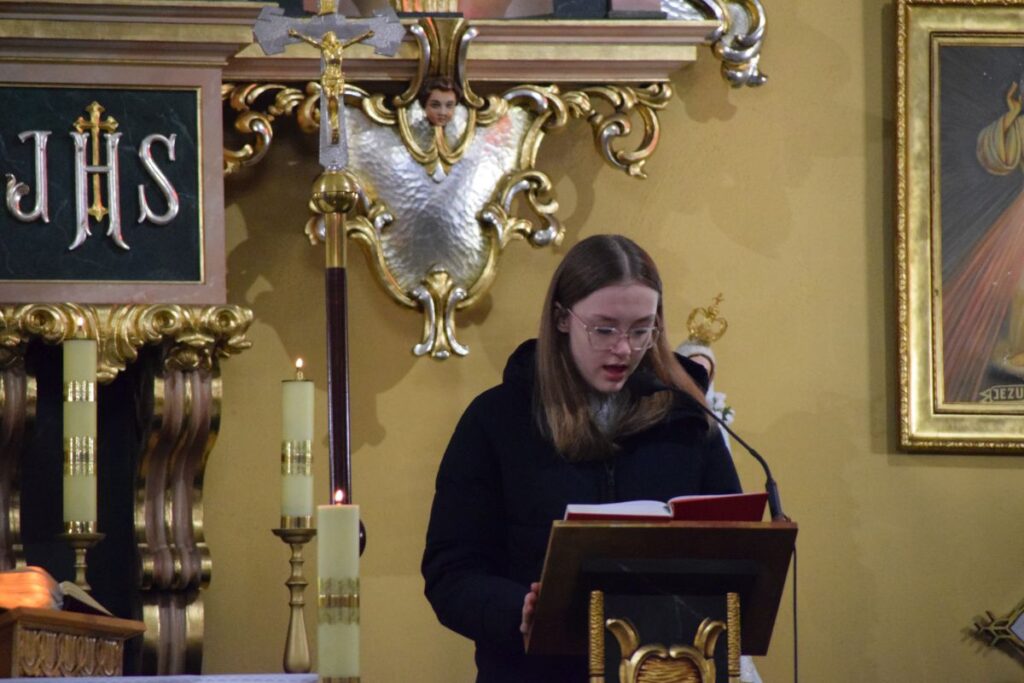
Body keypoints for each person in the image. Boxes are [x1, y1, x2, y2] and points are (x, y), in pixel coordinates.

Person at [422, 234, 743, 682]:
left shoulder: (686, 420)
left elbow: (734, 552)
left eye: (642, 329)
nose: (625, 349)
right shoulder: (496, 421)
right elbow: (451, 573)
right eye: (604, 329)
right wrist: (518, 609)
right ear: (561, 319)